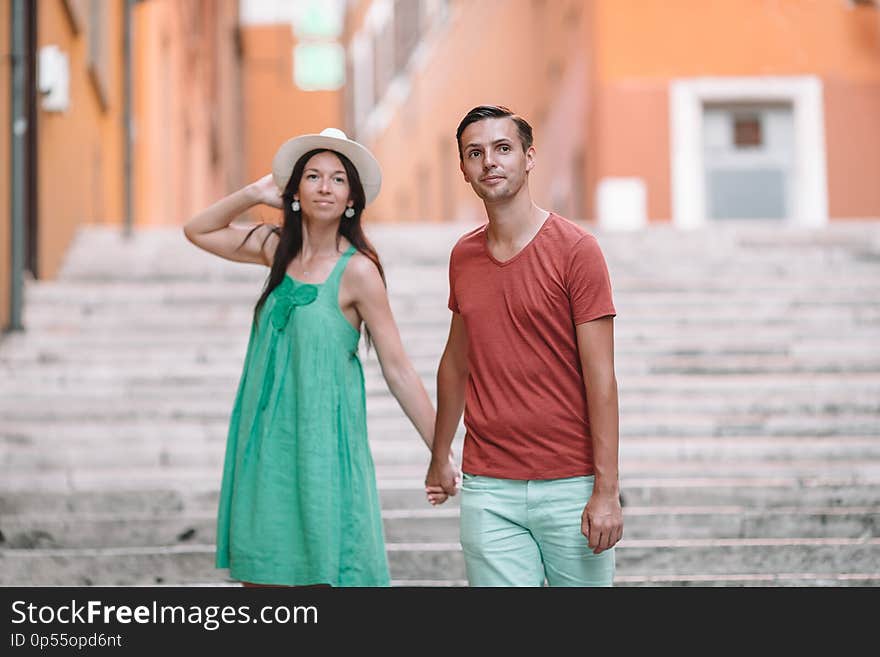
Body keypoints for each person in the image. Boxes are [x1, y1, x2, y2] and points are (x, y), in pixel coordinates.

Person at [184, 128, 454, 587]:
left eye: (337, 179)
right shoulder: (273, 249)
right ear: (295, 192)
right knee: (263, 573)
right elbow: (198, 230)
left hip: (322, 445)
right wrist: (254, 192)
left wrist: (440, 452)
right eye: (312, 176)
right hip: (264, 440)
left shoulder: (360, 272)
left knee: (325, 576)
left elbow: (399, 369)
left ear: (352, 198)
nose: (324, 187)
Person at [424, 106, 623, 586]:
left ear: (529, 158)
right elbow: (455, 364)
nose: (490, 161)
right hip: (489, 488)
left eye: (503, 148)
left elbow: (602, 379)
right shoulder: (464, 256)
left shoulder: (577, 250)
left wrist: (606, 490)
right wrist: (438, 454)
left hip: (571, 485)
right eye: (476, 153)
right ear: (464, 169)